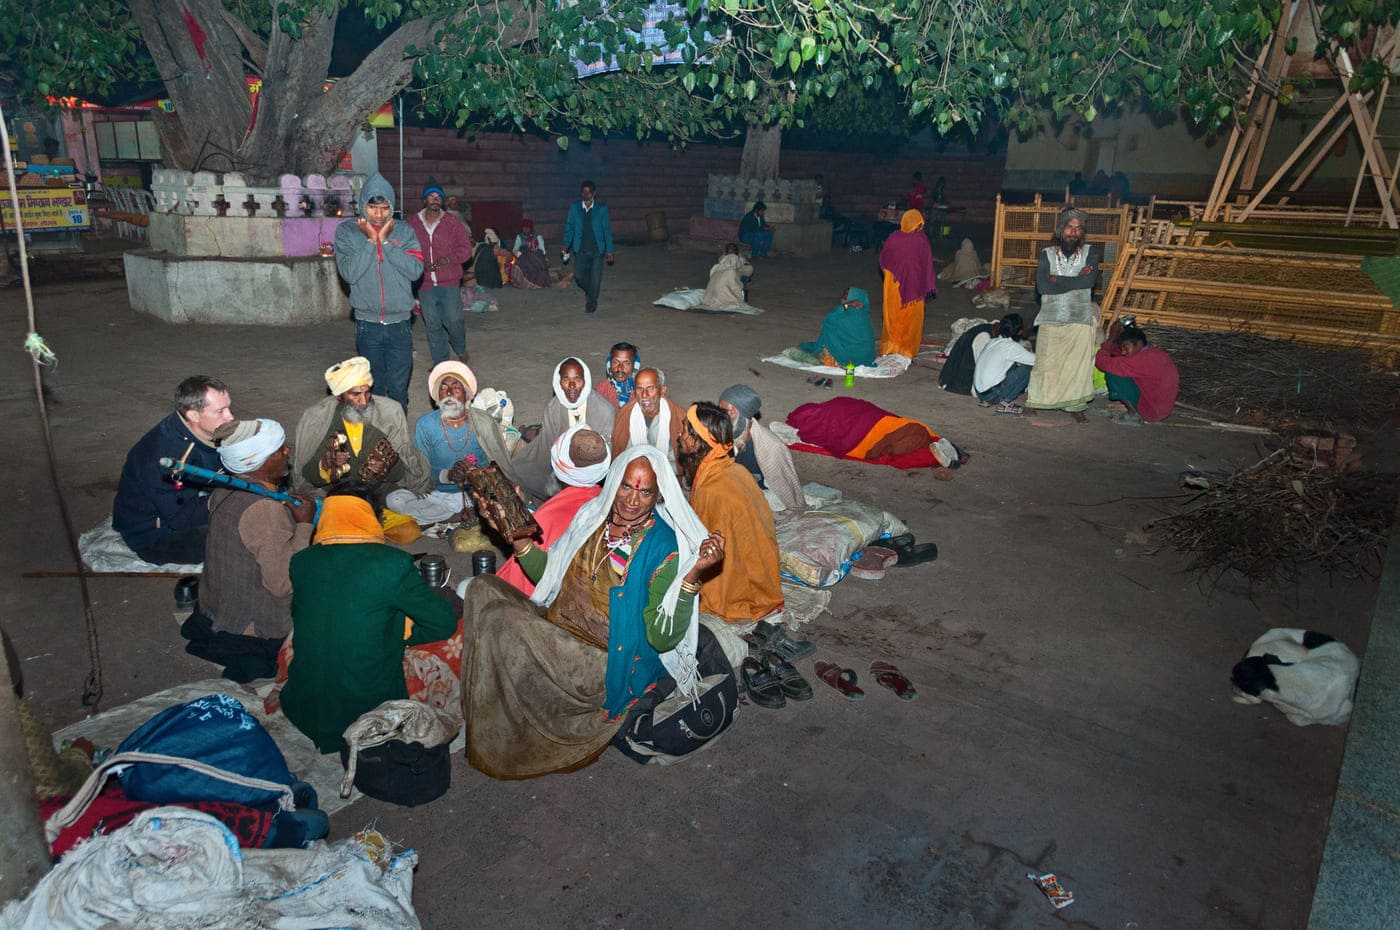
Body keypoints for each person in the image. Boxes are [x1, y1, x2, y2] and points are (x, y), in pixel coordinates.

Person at [459, 445, 725, 778]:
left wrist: (692, 576)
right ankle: (482, 704)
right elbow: (549, 576)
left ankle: (498, 743)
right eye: (627, 486)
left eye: (644, 492)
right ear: (614, 482)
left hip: (602, 659)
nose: (632, 499)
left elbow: (662, 638)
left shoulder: (664, 547)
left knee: (501, 618)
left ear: (657, 496)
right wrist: (513, 534)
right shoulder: (592, 517)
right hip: (558, 625)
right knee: (481, 588)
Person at [280, 483, 460, 754]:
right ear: (371, 517)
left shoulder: (302, 561)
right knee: (458, 631)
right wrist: (402, 635)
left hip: (306, 706)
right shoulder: (392, 563)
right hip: (368, 710)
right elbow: (442, 622)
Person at [182, 418, 315, 681]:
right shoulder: (265, 511)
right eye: (278, 450)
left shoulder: (225, 488)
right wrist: (304, 525)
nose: (287, 451)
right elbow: (284, 584)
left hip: (218, 607)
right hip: (255, 625)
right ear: (259, 462)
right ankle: (256, 656)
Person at [677, 403, 784, 626]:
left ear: (699, 441)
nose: (679, 435)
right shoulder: (733, 469)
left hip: (745, 585)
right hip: (762, 569)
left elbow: (714, 551)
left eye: (685, 429)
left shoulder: (713, 489)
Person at [113, 376, 234, 564]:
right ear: (193, 415)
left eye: (228, 407)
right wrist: (230, 499)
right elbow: (181, 518)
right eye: (220, 411)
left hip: (177, 508)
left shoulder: (200, 428)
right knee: (246, 535)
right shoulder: (166, 460)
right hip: (155, 535)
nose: (230, 416)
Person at [333, 173, 423, 412]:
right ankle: (380, 441)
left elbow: (415, 270)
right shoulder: (347, 233)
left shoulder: (404, 232)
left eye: (385, 208)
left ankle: (399, 440)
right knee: (375, 388)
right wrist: (370, 242)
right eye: (373, 208)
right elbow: (350, 273)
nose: (379, 215)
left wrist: (385, 243)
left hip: (400, 324)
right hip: (367, 324)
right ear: (363, 206)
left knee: (398, 389)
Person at [292, 356, 431, 497]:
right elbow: (308, 476)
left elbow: (401, 471)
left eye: (367, 393)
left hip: (379, 496)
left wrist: (385, 468)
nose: (364, 401)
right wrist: (327, 464)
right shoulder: (322, 423)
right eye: (356, 394)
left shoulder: (387, 417)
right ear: (339, 396)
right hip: (338, 497)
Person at [497, 425, 611, 596]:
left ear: (560, 464)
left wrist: (515, 517)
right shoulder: (608, 503)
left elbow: (527, 577)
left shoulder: (547, 518)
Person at [401, 360, 518, 523]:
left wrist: (471, 475)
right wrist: (447, 475)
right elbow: (421, 473)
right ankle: (460, 514)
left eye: (456, 387)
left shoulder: (483, 422)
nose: (449, 393)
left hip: (476, 493)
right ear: (437, 395)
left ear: (466, 394)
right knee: (396, 499)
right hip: (438, 493)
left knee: (503, 501)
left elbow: (498, 466)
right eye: (443, 388)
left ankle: (459, 513)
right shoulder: (425, 424)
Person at [1028, 207, 1098, 421]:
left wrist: (1057, 279)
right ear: (1061, 229)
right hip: (1051, 316)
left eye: (1078, 228)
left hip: (1079, 316)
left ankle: (1075, 407)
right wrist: (1076, 277)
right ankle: (1036, 400)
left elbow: (1089, 282)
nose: (1074, 232)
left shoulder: (1091, 253)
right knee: (1044, 363)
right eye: (1070, 227)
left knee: (1076, 366)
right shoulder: (1046, 255)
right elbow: (1042, 287)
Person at [513, 357, 617, 501]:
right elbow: (547, 446)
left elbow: (604, 456)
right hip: (560, 465)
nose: (572, 385)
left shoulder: (605, 411)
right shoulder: (553, 408)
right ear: (558, 382)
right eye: (565, 379)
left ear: (586, 381)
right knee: (521, 471)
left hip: (592, 468)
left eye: (578, 379)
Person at [405, 183, 473, 367]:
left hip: (449, 280)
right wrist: (418, 262)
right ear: (424, 199)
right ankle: (440, 362)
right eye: (431, 196)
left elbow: (466, 250)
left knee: (454, 319)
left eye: (438, 197)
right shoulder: (412, 223)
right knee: (433, 323)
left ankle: (459, 347)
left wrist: (448, 260)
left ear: (442, 201)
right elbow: (404, 248)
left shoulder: (452, 223)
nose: (435, 199)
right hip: (425, 282)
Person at [718, 385, 804, 513]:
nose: (719, 415)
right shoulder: (722, 430)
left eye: (724, 410)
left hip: (761, 496)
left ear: (736, 413)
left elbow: (785, 493)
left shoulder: (773, 447)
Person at [878, 209, 938, 359]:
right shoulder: (916, 240)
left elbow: (883, 261)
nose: (919, 228)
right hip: (904, 285)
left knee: (902, 316)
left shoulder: (898, 238)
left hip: (901, 286)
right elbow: (927, 266)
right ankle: (900, 348)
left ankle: (898, 347)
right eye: (918, 224)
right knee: (902, 317)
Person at [1094, 322, 1180, 423]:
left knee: (1113, 373)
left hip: (1151, 411)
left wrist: (1111, 339)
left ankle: (1133, 414)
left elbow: (1103, 363)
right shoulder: (1153, 353)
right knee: (1119, 366)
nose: (1123, 352)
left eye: (1126, 347)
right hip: (1160, 407)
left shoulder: (1143, 359)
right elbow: (1118, 355)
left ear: (1139, 343)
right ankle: (1132, 405)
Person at [610, 367, 685, 473]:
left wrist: (654, 472)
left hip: (669, 474)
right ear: (634, 392)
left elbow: (681, 464)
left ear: (662, 391)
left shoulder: (678, 417)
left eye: (650, 388)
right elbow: (620, 457)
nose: (644, 395)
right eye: (640, 389)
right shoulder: (625, 415)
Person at [562, 180, 614, 313]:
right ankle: (590, 291)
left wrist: (609, 251)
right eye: (583, 192)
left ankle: (591, 303)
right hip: (580, 248)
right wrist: (566, 245)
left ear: (594, 193)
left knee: (595, 277)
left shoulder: (601, 209)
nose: (585, 194)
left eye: (588, 192)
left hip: (597, 249)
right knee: (579, 276)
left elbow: (606, 230)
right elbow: (570, 227)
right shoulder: (575, 207)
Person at [973, 314, 1037, 414]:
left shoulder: (993, 341)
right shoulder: (1011, 346)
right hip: (992, 394)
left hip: (980, 392)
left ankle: (987, 400)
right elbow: (1036, 360)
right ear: (1019, 331)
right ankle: (1005, 403)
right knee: (1029, 367)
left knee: (1012, 364)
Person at [798, 286, 876, 368]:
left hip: (850, 359)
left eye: (846, 294)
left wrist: (847, 305)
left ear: (854, 297)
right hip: (867, 358)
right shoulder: (864, 315)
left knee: (830, 330)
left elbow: (829, 319)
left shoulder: (848, 316)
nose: (842, 296)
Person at [700, 243, 753, 309]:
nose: (731, 251)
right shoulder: (727, 261)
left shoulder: (717, 266)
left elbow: (747, 270)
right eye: (729, 249)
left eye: (733, 249)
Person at [509, 219, 554, 289]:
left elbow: (542, 250)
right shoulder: (520, 236)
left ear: (530, 228)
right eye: (524, 228)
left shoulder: (538, 236)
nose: (525, 230)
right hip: (523, 257)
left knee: (540, 266)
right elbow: (515, 249)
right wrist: (518, 253)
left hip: (535, 256)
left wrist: (544, 258)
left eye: (527, 228)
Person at [594, 342, 640, 409]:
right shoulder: (602, 389)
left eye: (626, 363)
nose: (620, 368)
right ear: (609, 364)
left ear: (635, 366)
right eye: (616, 362)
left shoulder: (641, 391)